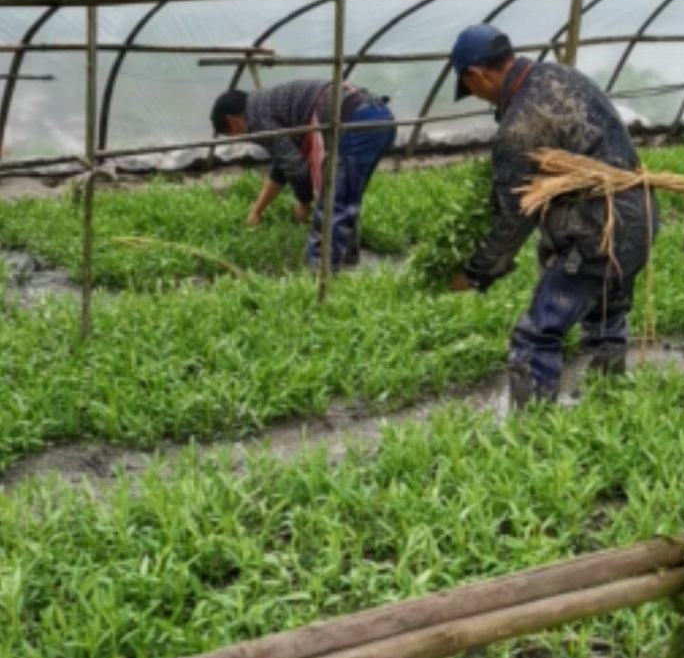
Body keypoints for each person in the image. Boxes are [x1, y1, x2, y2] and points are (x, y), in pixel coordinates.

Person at [448, 24, 659, 407]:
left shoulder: (520, 126)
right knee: (606, 318)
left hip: (600, 231)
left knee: (537, 334)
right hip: (638, 214)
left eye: (471, 90)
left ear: (476, 74)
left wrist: (478, 272)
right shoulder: (559, 76)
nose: (478, 98)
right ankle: (608, 405)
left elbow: (514, 218)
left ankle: (532, 434)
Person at [211, 80, 396, 269]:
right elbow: (283, 164)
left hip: (358, 123)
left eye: (232, 135)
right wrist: (257, 210)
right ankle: (347, 263)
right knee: (344, 201)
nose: (240, 139)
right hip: (379, 117)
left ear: (232, 121)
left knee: (331, 208)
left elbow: (294, 166)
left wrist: (304, 202)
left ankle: (322, 275)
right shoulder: (264, 103)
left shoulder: (258, 118)